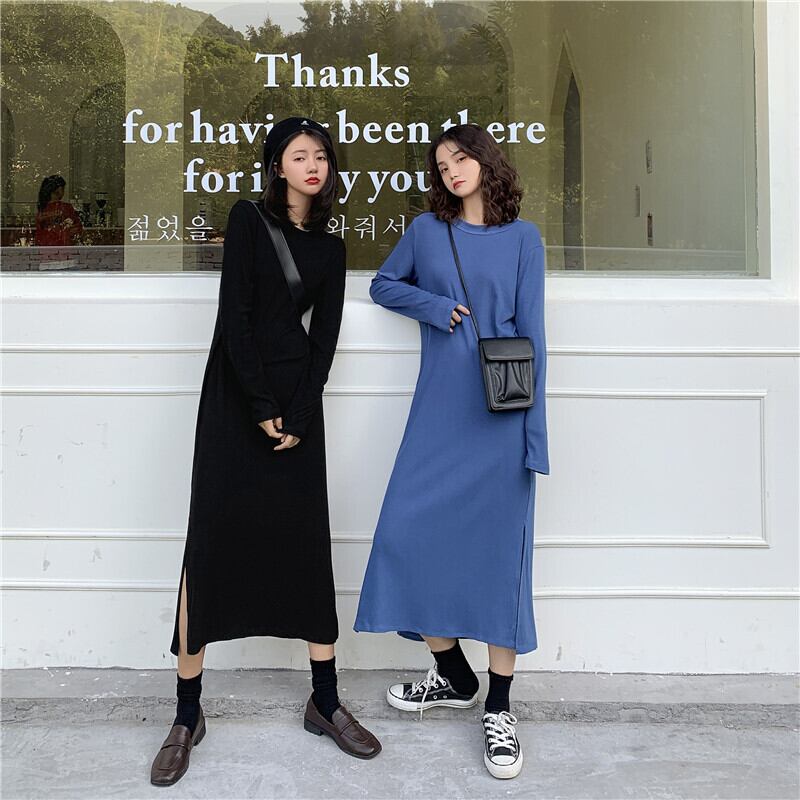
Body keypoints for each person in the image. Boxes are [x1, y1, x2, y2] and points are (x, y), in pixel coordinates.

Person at [150, 116, 381, 788]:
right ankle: (187, 713)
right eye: (299, 155)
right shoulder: (248, 220)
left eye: (321, 156)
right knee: (209, 546)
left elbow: (325, 339)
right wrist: (259, 406)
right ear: (278, 165)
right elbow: (236, 317)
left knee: (306, 545)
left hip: (299, 411)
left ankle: (325, 701)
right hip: (234, 402)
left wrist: (300, 413)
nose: (313, 165)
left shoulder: (331, 248)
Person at [353, 123, 549, 781]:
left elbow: (534, 338)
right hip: (437, 413)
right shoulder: (426, 232)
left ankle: (498, 707)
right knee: (403, 539)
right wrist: (433, 307)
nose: (452, 171)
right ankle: (454, 674)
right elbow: (383, 285)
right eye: (441, 165)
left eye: (461, 158)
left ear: (486, 162)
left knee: (498, 565)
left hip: (500, 422)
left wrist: (534, 439)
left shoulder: (523, 239)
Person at [34, 174, 83, 246]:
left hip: (43, 247)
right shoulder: (66, 208)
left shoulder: (42, 208)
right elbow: (78, 228)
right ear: (59, 189)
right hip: (62, 246)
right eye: (63, 189)